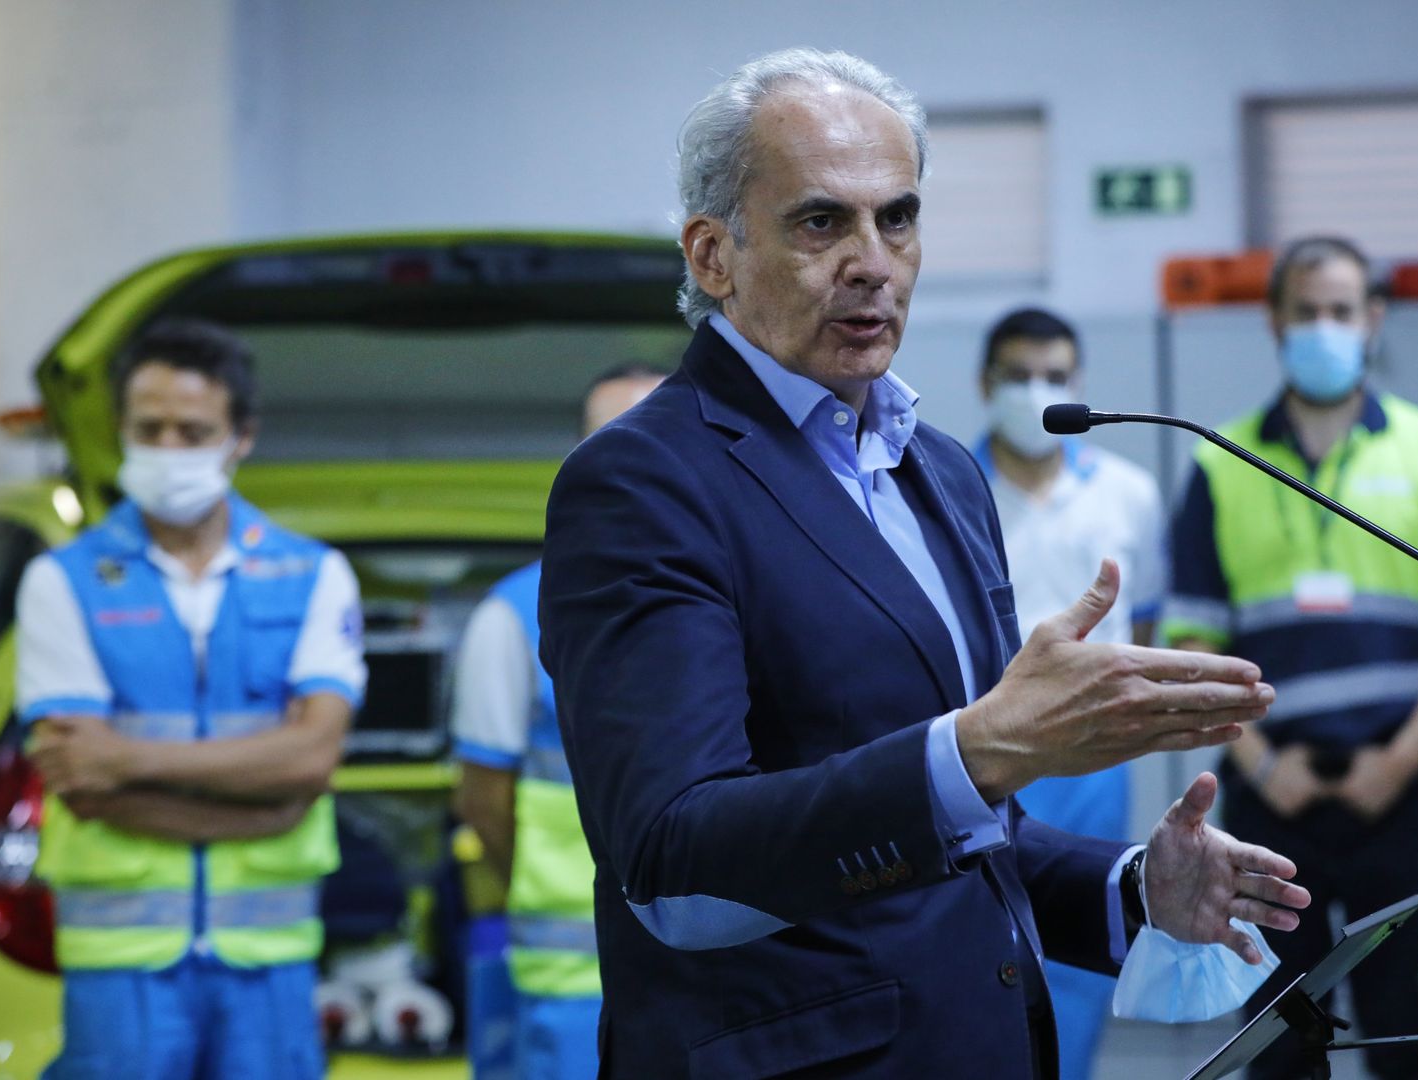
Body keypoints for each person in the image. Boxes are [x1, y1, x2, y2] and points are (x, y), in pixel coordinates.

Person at [538, 48, 1312, 1078]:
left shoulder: (937, 472)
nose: (872, 260)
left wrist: (1131, 889)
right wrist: (982, 749)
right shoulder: (644, 482)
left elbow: (960, 837)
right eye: (822, 222)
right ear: (713, 255)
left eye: (896, 218)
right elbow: (674, 866)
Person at [1161, 234, 1418, 1079]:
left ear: (1373, 321)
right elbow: (1193, 640)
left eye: (1341, 312)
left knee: (1401, 1037)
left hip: (1404, 787)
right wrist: (1263, 764)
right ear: (1275, 322)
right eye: (1305, 312)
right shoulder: (1221, 459)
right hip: (1270, 795)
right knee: (1277, 1046)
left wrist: (1404, 758)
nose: (1324, 328)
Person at [15, 319, 367, 1079]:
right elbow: (79, 781)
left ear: (241, 437)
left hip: (268, 964)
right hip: (121, 963)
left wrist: (127, 759)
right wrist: (265, 807)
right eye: (150, 429)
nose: (169, 449)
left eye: (193, 430)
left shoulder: (315, 574)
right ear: (120, 431)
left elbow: (311, 758)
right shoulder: (62, 581)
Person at [451, 363, 664, 1079]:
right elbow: (483, 800)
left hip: (728, 978)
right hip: (574, 986)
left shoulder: (756, 596)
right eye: (612, 441)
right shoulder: (512, 618)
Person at [971, 307, 1166, 1080]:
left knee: (1087, 939)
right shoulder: (950, 486)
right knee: (985, 946)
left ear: (1080, 383)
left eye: (1054, 376)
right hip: (986, 748)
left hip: (1094, 763)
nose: (1036, 392)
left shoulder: (1130, 494)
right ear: (986, 384)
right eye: (1018, 376)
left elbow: (1144, 625)